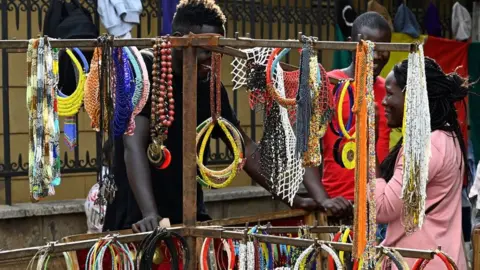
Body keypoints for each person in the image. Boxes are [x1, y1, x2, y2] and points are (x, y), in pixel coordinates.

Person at [104, 0, 330, 233]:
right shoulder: (144, 70)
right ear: (180, 40)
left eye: (216, 53)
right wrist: (150, 213)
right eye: (205, 52)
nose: (212, 60)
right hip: (136, 219)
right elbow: (133, 145)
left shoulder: (208, 84)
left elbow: (244, 148)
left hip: (188, 215)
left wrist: (293, 199)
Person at [375, 57, 468, 269]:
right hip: (436, 258)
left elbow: (383, 208)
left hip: (422, 262)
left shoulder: (425, 146)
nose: (384, 101)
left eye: (390, 93)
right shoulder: (444, 137)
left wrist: (368, 148)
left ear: (412, 98)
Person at [302, 11, 391, 215]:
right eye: (368, 47)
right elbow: (306, 151)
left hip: (381, 207)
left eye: (383, 48)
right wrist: (324, 200)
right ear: (350, 43)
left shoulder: (390, 91)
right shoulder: (328, 85)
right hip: (339, 206)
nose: (376, 55)